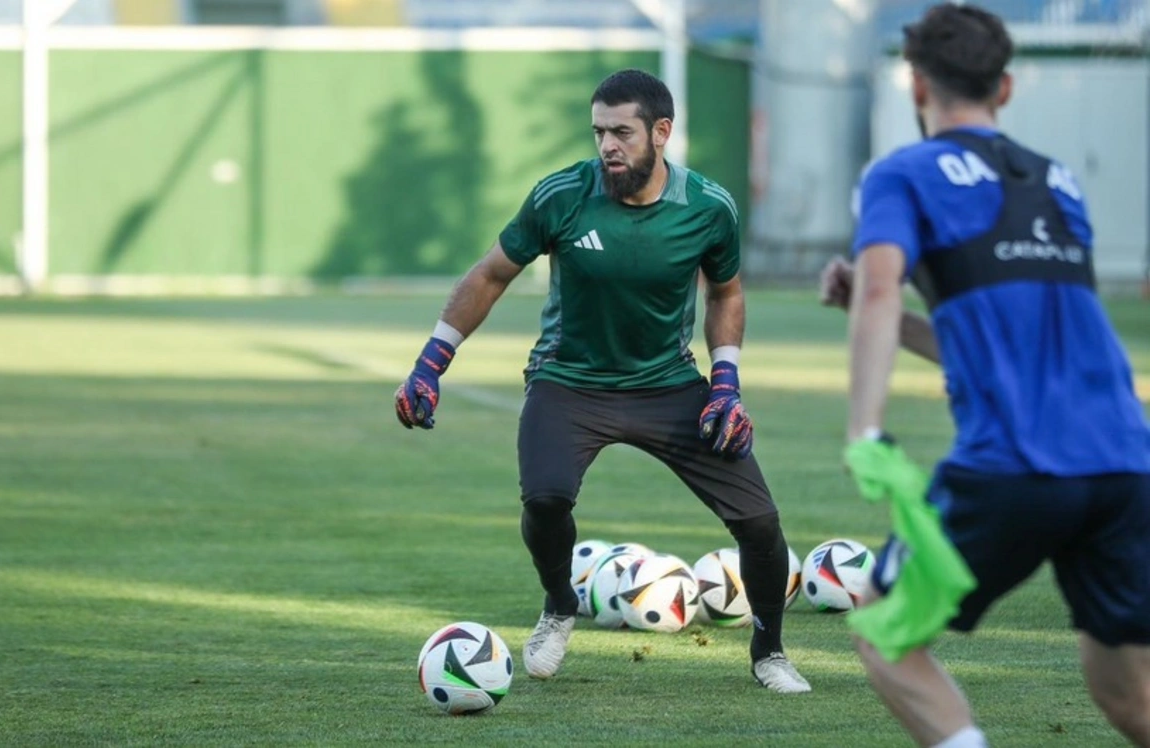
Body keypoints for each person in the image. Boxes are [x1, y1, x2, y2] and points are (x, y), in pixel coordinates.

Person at [395, 68, 810, 694]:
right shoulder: (560, 196)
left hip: (670, 387)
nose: (607, 146)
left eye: (622, 132)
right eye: (599, 132)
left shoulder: (709, 208)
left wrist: (726, 382)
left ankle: (769, 652)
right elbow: (489, 275)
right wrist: (431, 362)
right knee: (545, 500)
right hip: (569, 382)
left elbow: (725, 291)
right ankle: (560, 605)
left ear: (661, 133)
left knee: (759, 522)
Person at [822, 4, 1150, 746]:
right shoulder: (1059, 182)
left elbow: (879, 288)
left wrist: (865, 431)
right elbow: (1012, 345)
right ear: (1004, 88)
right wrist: (882, 316)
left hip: (1017, 466)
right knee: (1127, 695)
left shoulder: (900, 173)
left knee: (884, 627)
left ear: (915, 87)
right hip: (1125, 465)